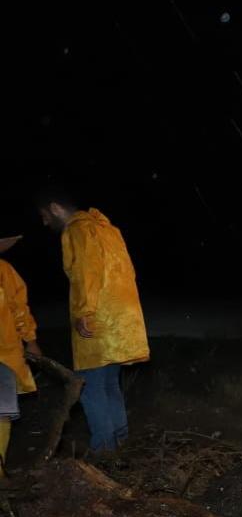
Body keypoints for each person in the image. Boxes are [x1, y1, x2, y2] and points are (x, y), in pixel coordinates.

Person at [36, 192, 149, 453]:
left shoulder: (77, 230)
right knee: (109, 384)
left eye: (44, 216)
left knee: (89, 386)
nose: (44, 223)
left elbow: (86, 272)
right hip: (120, 323)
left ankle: (104, 452)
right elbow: (128, 272)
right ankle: (122, 446)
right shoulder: (107, 229)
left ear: (55, 207)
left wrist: (83, 312)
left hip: (97, 321)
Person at [0, 234, 41, 477]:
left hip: (3, 353)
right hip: (3, 353)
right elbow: (19, 309)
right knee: (1, 412)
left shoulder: (4, 271)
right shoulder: (4, 270)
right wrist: (31, 341)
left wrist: (30, 339)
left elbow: (18, 309)